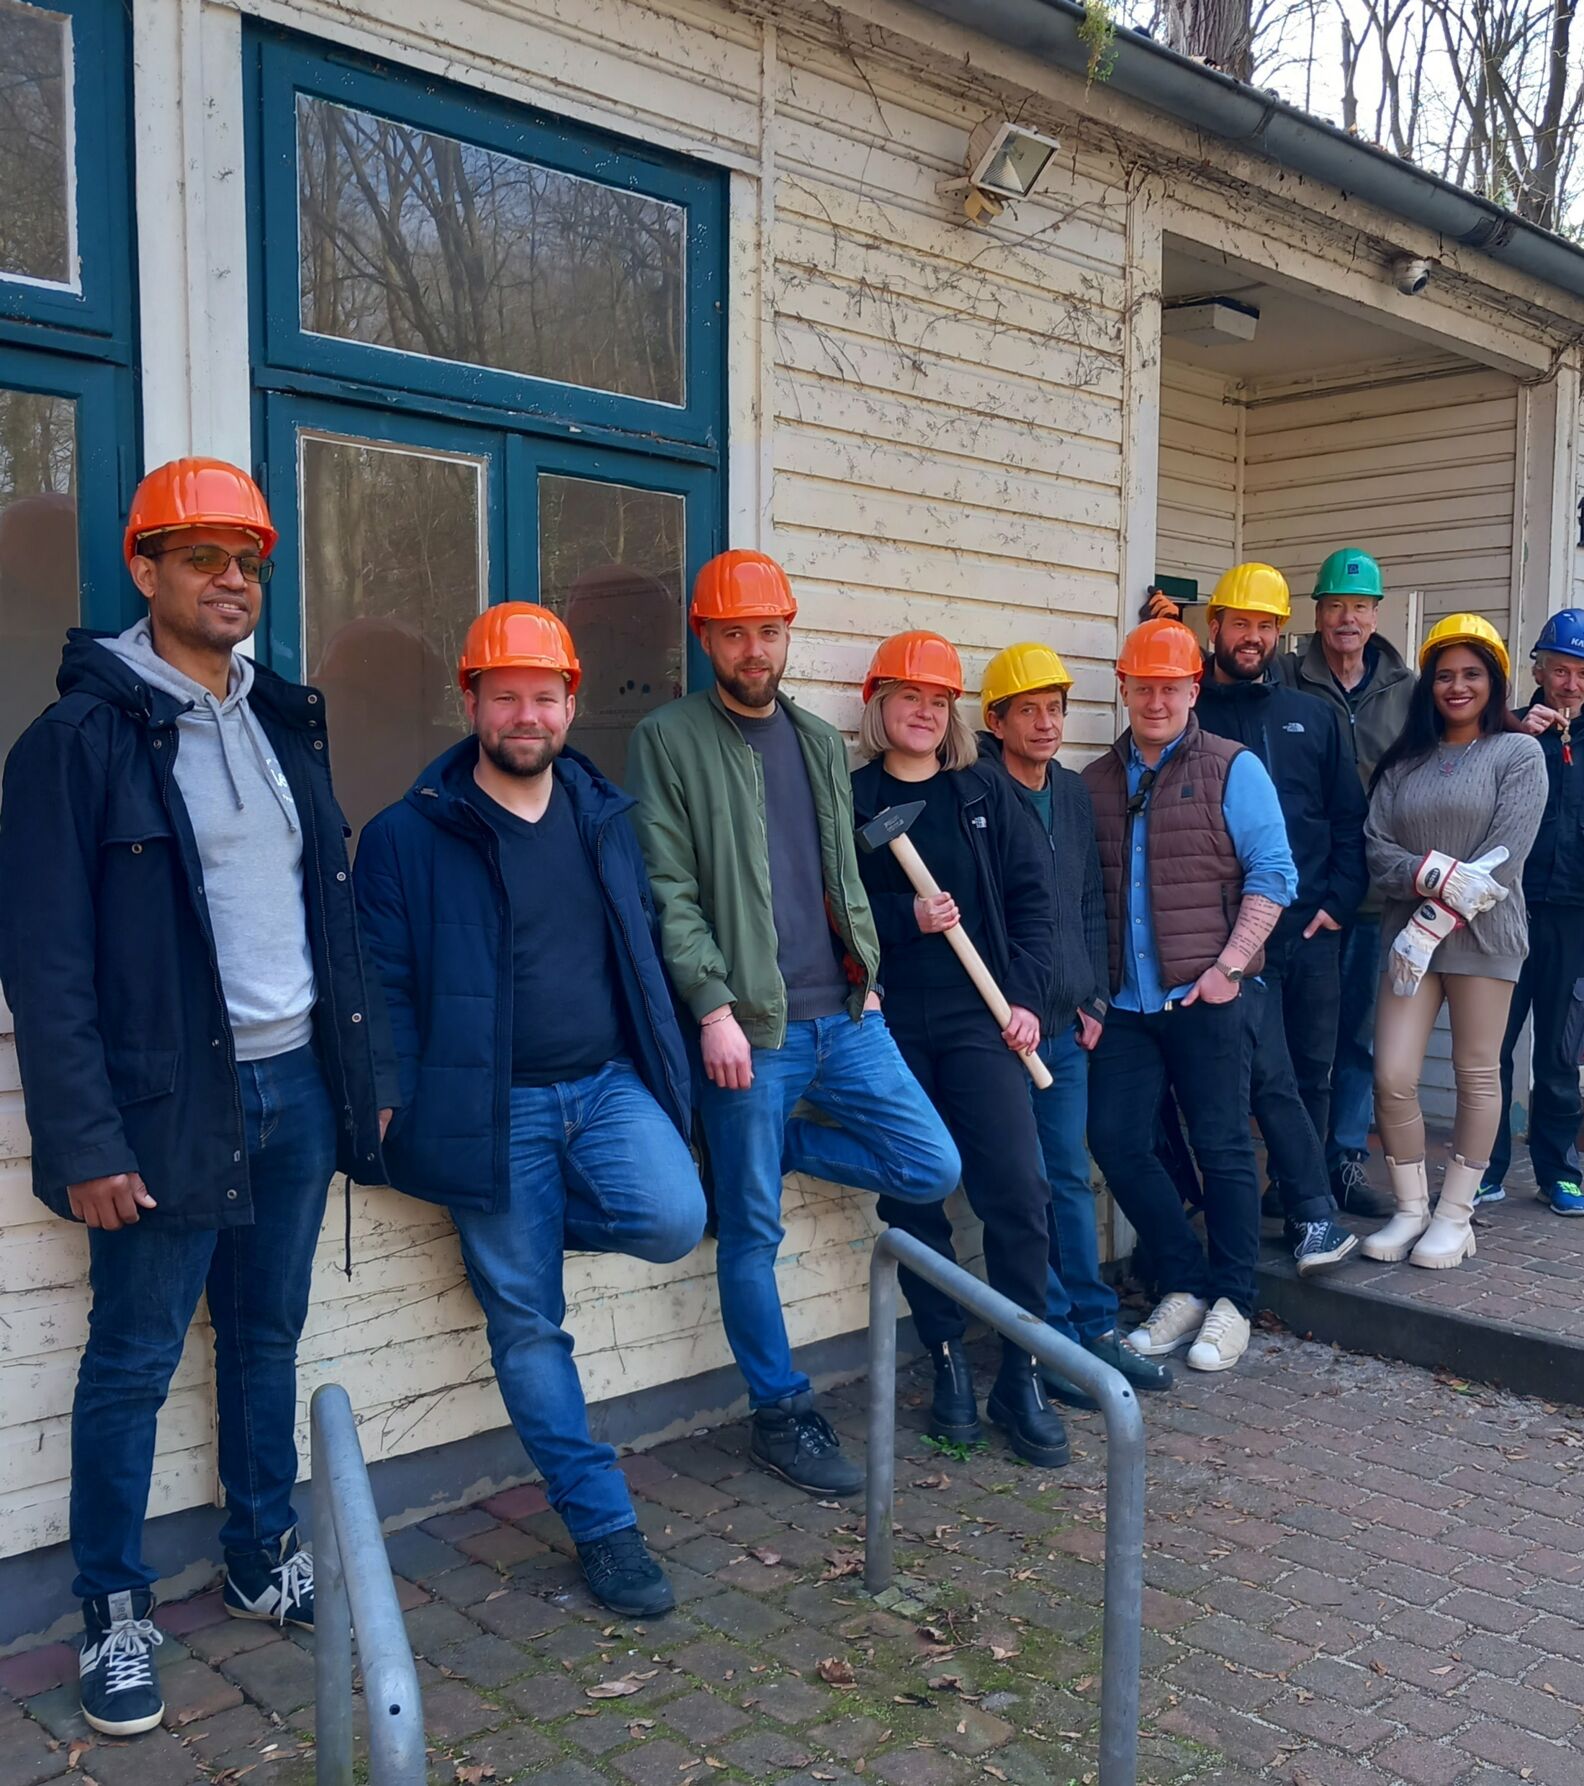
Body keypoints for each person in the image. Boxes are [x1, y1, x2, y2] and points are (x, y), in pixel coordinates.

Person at [0, 460, 396, 1737]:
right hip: (170, 1107)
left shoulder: (282, 719)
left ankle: (256, 1544)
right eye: (205, 555)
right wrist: (85, 1140)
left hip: (296, 1088)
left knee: (268, 1336)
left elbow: (326, 917)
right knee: (130, 1360)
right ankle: (115, 1614)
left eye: (251, 559)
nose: (235, 579)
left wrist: (359, 1079)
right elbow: (46, 961)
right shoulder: (79, 740)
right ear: (145, 568)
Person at [354, 604, 706, 1619]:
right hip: (491, 1106)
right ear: (468, 702)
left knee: (675, 1216)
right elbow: (381, 981)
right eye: (503, 695)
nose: (525, 713)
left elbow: (640, 949)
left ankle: (516, 1232)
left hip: (604, 1087)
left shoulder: (605, 815)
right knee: (528, 1324)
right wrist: (390, 1097)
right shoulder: (406, 836)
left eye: (543, 696)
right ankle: (603, 1524)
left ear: (570, 703)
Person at [627, 553, 960, 1496]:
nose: (752, 649)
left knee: (931, 1164)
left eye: (767, 631)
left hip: (847, 1017)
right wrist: (714, 1009)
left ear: (787, 634)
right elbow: (669, 888)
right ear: (705, 638)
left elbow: (841, 873)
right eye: (732, 632)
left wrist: (873, 971)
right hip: (754, 1033)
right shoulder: (669, 738)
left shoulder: (817, 740)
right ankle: (781, 1409)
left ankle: (787, 1149)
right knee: (750, 1235)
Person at [850, 633, 1065, 1465]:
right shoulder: (855, 798)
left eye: (938, 701)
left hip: (982, 1021)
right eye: (908, 697)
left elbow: (1033, 904)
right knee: (914, 1196)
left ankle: (1023, 1369)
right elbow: (835, 904)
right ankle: (945, 1363)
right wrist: (908, 918)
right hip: (889, 1025)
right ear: (880, 706)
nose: (924, 712)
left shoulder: (982, 793)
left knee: (1018, 1187)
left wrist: (1026, 1002)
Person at [1084, 618, 1298, 1374]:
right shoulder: (1096, 782)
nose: (1156, 699)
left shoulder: (1233, 768)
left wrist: (1230, 968)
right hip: (1127, 1010)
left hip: (1207, 996)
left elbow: (1273, 876)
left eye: (1170, 687)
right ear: (1124, 688)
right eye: (1143, 686)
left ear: (1192, 689)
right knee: (1115, 1140)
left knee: (1223, 1146)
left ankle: (1235, 1301)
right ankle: (1185, 1281)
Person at [976, 643, 1174, 1398]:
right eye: (1028, 710)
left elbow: (1092, 900)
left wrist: (1093, 1000)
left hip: (1068, 1029)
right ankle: (1048, 1339)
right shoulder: (979, 794)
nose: (1046, 722)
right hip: (1003, 1031)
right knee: (1021, 1189)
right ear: (996, 721)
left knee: (1067, 1178)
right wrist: (1004, 1006)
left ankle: (1092, 1329)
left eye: (1055, 709)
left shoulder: (1070, 792)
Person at [1361, 614, 1549, 1270]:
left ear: (1494, 681)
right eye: (1444, 675)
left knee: (1476, 1074)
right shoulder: (1405, 762)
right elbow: (1376, 849)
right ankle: (1410, 1208)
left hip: (1485, 938)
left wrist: (1430, 909)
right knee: (1392, 1074)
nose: (1457, 686)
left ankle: (1455, 1215)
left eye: (1471, 674)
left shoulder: (1519, 753)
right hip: (1408, 946)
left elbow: (1506, 858)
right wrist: (1428, 873)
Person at [1198, 564, 1368, 1274]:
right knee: (1252, 1078)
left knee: (1312, 1071)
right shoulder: (1193, 713)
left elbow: (1348, 821)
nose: (1254, 637)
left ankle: (1298, 1192)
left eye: (1266, 625)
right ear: (1215, 628)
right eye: (1241, 623)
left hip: (1308, 931)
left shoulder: (1314, 716)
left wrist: (1334, 906)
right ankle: (1297, 1209)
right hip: (1236, 939)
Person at [1483, 609, 1584, 1216]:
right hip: (1505, 907)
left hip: (1577, 913)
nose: (1570, 684)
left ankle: (1558, 1172)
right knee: (1489, 1049)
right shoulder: (1507, 732)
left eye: (1583, 672)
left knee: (1559, 1050)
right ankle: (1485, 1168)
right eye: (1559, 670)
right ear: (1538, 670)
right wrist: (1524, 734)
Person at [1276, 547, 1415, 1220]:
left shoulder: (1406, 691)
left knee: (1358, 1036)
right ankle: (1293, 1166)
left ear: (1376, 613)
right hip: (1304, 893)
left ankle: (1344, 1163)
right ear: (1318, 612)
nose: (1347, 618)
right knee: (1298, 1040)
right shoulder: (1287, 680)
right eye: (1335, 605)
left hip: (1374, 897)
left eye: (1359, 606)